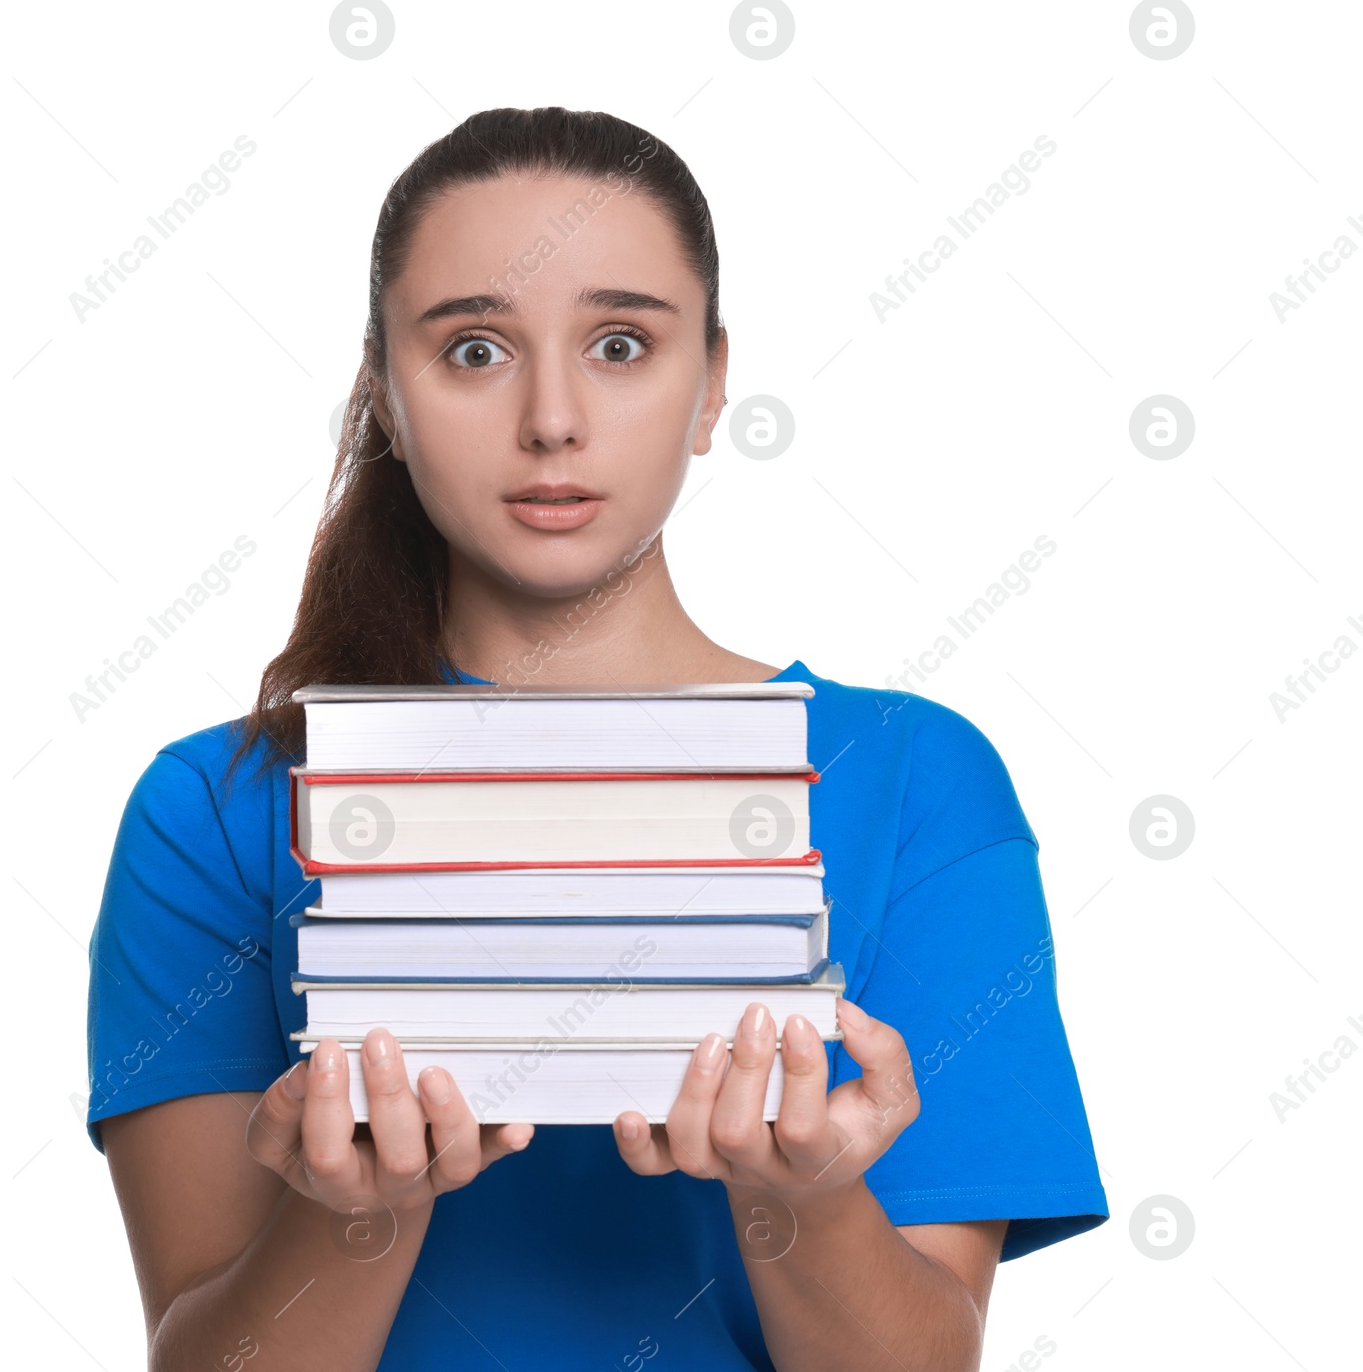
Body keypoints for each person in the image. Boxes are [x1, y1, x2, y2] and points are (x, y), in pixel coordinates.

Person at [86, 106, 1107, 1371]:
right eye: (472, 351)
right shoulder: (219, 806)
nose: (553, 420)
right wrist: (359, 1219)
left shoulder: (913, 782)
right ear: (384, 396)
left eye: (620, 344)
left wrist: (798, 1197)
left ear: (712, 384)